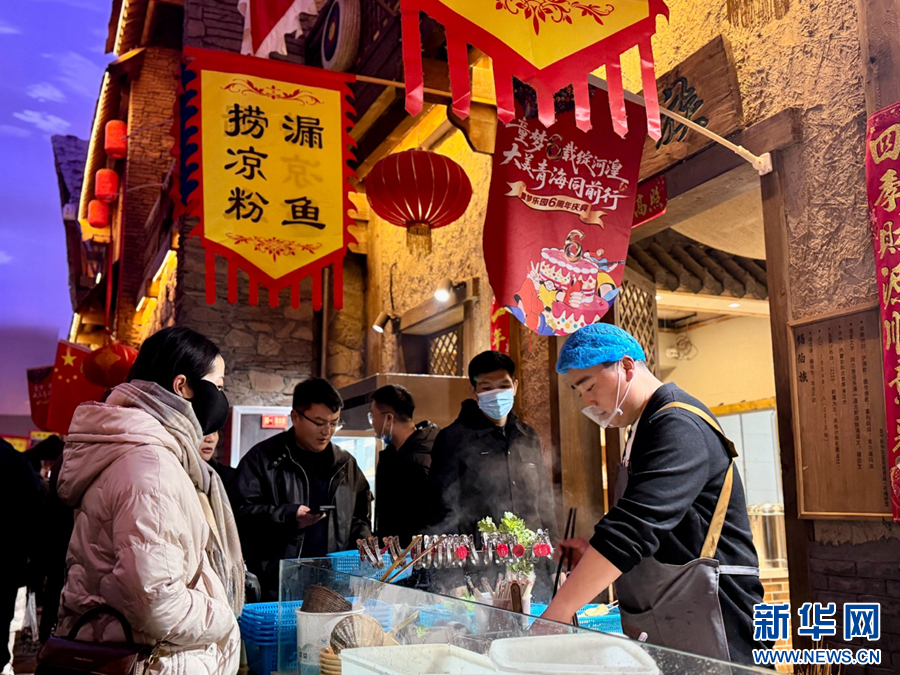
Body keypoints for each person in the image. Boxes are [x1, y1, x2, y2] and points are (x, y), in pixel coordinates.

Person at [541, 323, 766, 665]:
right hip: (676, 619)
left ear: (626, 366)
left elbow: (633, 528)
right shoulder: (643, 428)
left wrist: (556, 615)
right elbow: (660, 529)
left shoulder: (678, 423)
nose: (587, 401)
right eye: (579, 392)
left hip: (720, 617)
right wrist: (591, 554)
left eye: (589, 386)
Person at [55, 327, 243, 674]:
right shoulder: (151, 467)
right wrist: (224, 613)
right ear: (183, 386)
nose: (221, 398)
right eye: (217, 386)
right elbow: (156, 603)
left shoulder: (146, 453)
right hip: (153, 662)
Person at [230, 378, 372, 600]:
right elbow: (238, 515)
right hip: (276, 586)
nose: (327, 431)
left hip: (334, 586)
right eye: (319, 422)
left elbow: (359, 518)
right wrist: (289, 516)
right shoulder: (263, 459)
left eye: (334, 423)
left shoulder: (346, 465)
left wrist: (362, 550)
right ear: (295, 417)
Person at [428, 351, 558, 540]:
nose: (496, 395)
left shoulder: (527, 435)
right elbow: (443, 508)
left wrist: (555, 549)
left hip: (532, 551)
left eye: (504, 386)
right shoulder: (453, 438)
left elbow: (545, 501)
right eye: (487, 388)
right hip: (482, 553)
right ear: (474, 391)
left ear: (515, 387)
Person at [370, 385, 439, 546]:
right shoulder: (392, 454)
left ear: (389, 419)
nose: (372, 423)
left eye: (372, 416)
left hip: (412, 553)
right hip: (392, 552)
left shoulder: (420, 459)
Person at [0, 438, 45, 675]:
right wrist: (33, 571)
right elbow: (35, 519)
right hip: (4, 572)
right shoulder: (13, 460)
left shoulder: (13, 460)